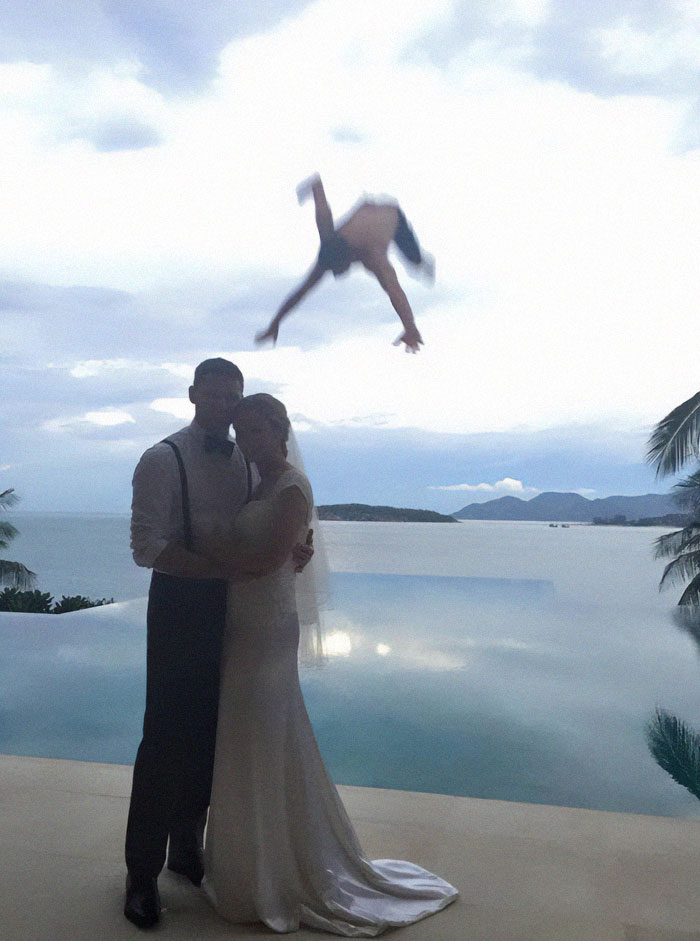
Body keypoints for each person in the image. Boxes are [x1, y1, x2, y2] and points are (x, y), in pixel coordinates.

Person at [200, 393, 459, 936]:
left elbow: (268, 559)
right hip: (242, 626)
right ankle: (250, 867)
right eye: (240, 433)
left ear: (279, 430)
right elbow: (271, 551)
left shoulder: (292, 486)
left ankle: (278, 874)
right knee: (250, 739)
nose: (246, 442)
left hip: (267, 627)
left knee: (265, 738)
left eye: (254, 432)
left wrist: (196, 558)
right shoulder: (258, 484)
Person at [123, 359, 312, 929]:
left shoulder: (249, 463)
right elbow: (146, 546)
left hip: (238, 612)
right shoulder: (162, 459)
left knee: (214, 732)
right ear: (193, 395)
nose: (227, 407)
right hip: (182, 605)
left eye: (235, 397)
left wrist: (286, 557)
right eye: (216, 395)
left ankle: (187, 849)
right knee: (164, 736)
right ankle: (139, 876)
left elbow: (269, 527)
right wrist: (224, 572)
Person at [255, 174, 432, 353]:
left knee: (415, 261)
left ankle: (424, 263)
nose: (333, 274)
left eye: (338, 270)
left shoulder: (373, 255)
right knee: (401, 266)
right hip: (369, 208)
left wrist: (410, 327)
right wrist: (274, 323)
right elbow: (300, 293)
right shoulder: (328, 235)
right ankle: (419, 262)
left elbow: (395, 291)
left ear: (351, 257)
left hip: (394, 216)